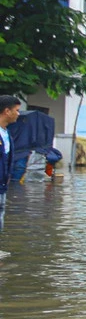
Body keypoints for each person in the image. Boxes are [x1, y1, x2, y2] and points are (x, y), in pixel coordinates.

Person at [0, 95, 18, 235]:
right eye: (16, 110)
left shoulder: (6, 133)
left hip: (3, 185)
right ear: (7, 111)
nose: (18, 114)